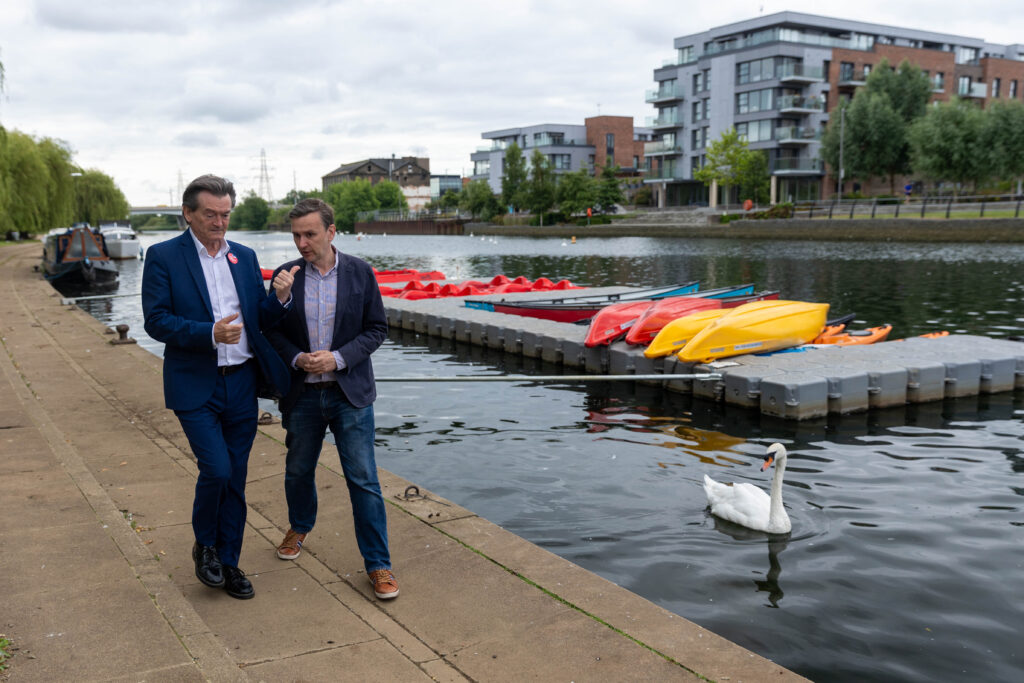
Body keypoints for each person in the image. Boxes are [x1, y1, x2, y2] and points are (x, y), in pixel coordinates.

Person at [142, 174, 296, 600]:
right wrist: (209, 333)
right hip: (196, 386)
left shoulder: (243, 257)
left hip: (242, 384)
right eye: (210, 214)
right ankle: (205, 545)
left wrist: (279, 299)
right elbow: (155, 321)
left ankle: (229, 562)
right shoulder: (163, 256)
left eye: (225, 214)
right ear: (188, 213)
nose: (219, 222)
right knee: (217, 469)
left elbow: (257, 316)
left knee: (237, 478)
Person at [266, 198, 397, 599]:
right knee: (297, 471)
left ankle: (378, 564)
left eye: (310, 234)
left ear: (331, 231)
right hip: (302, 395)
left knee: (364, 480)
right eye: (296, 235)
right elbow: (269, 330)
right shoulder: (286, 276)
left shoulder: (359, 272)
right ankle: (299, 526)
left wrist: (338, 358)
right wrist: (294, 351)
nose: (302, 243)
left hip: (349, 394)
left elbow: (377, 329)